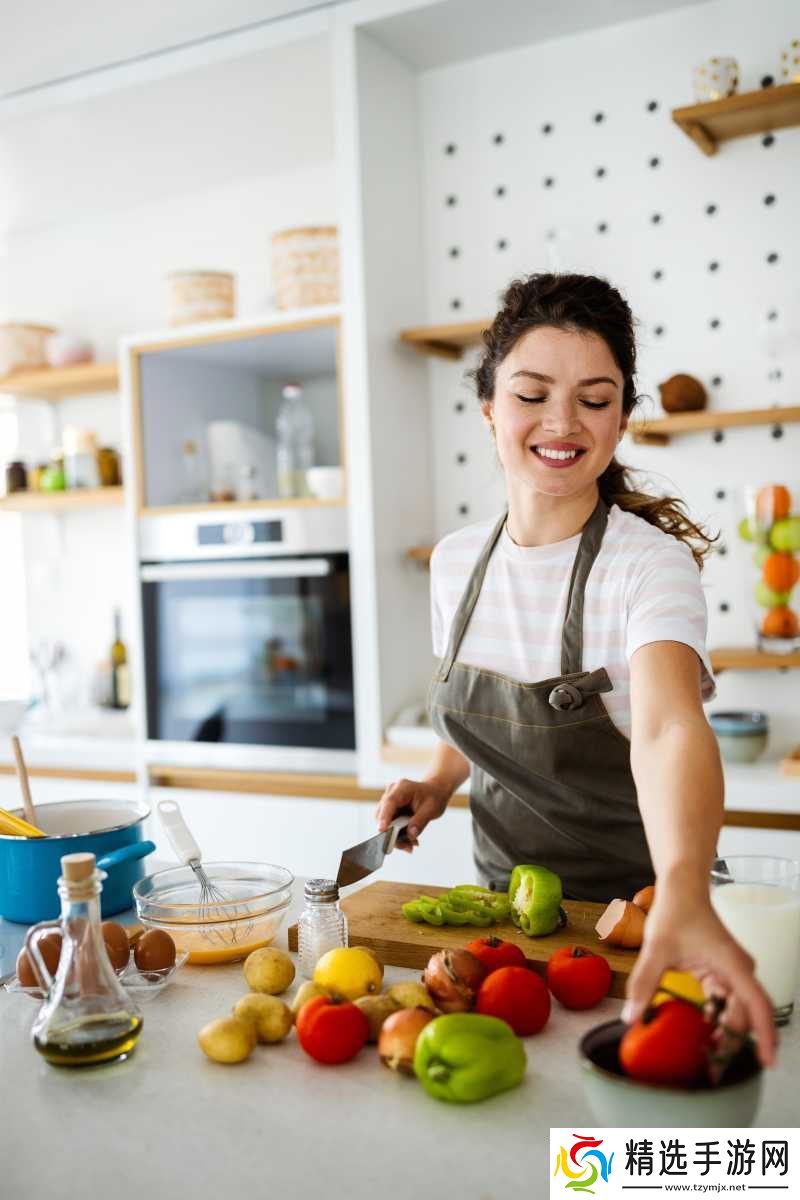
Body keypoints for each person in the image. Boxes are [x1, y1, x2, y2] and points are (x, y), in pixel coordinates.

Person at [376, 273, 776, 1067]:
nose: (563, 423)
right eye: (532, 394)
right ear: (489, 405)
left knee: (605, 1159)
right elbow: (481, 723)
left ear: (623, 418)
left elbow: (666, 728)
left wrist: (687, 892)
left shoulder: (648, 566)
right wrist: (436, 782)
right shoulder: (458, 564)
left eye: (595, 400)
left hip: (639, 922)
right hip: (502, 923)